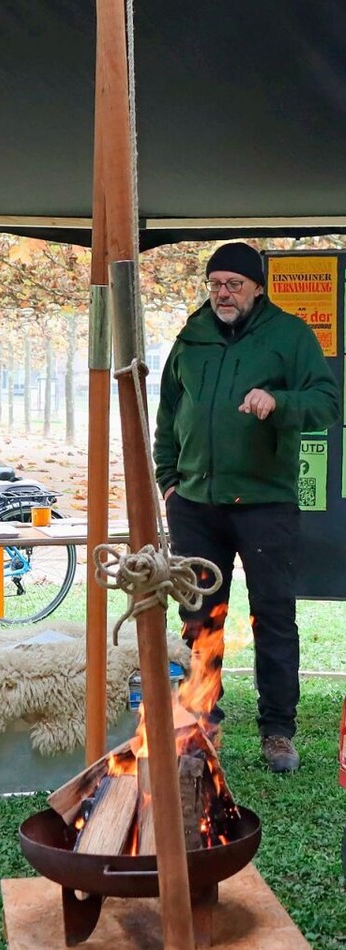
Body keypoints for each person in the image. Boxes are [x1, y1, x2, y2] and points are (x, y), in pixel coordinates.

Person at [153, 242, 340, 773]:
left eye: (234, 284)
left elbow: (327, 403)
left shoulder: (290, 336)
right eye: (215, 284)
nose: (223, 294)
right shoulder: (192, 335)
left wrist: (279, 402)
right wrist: (169, 480)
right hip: (195, 503)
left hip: (265, 503)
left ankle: (277, 731)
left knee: (274, 617)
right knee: (199, 618)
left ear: (259, 286)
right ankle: (199, 723)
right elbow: (169, 413)